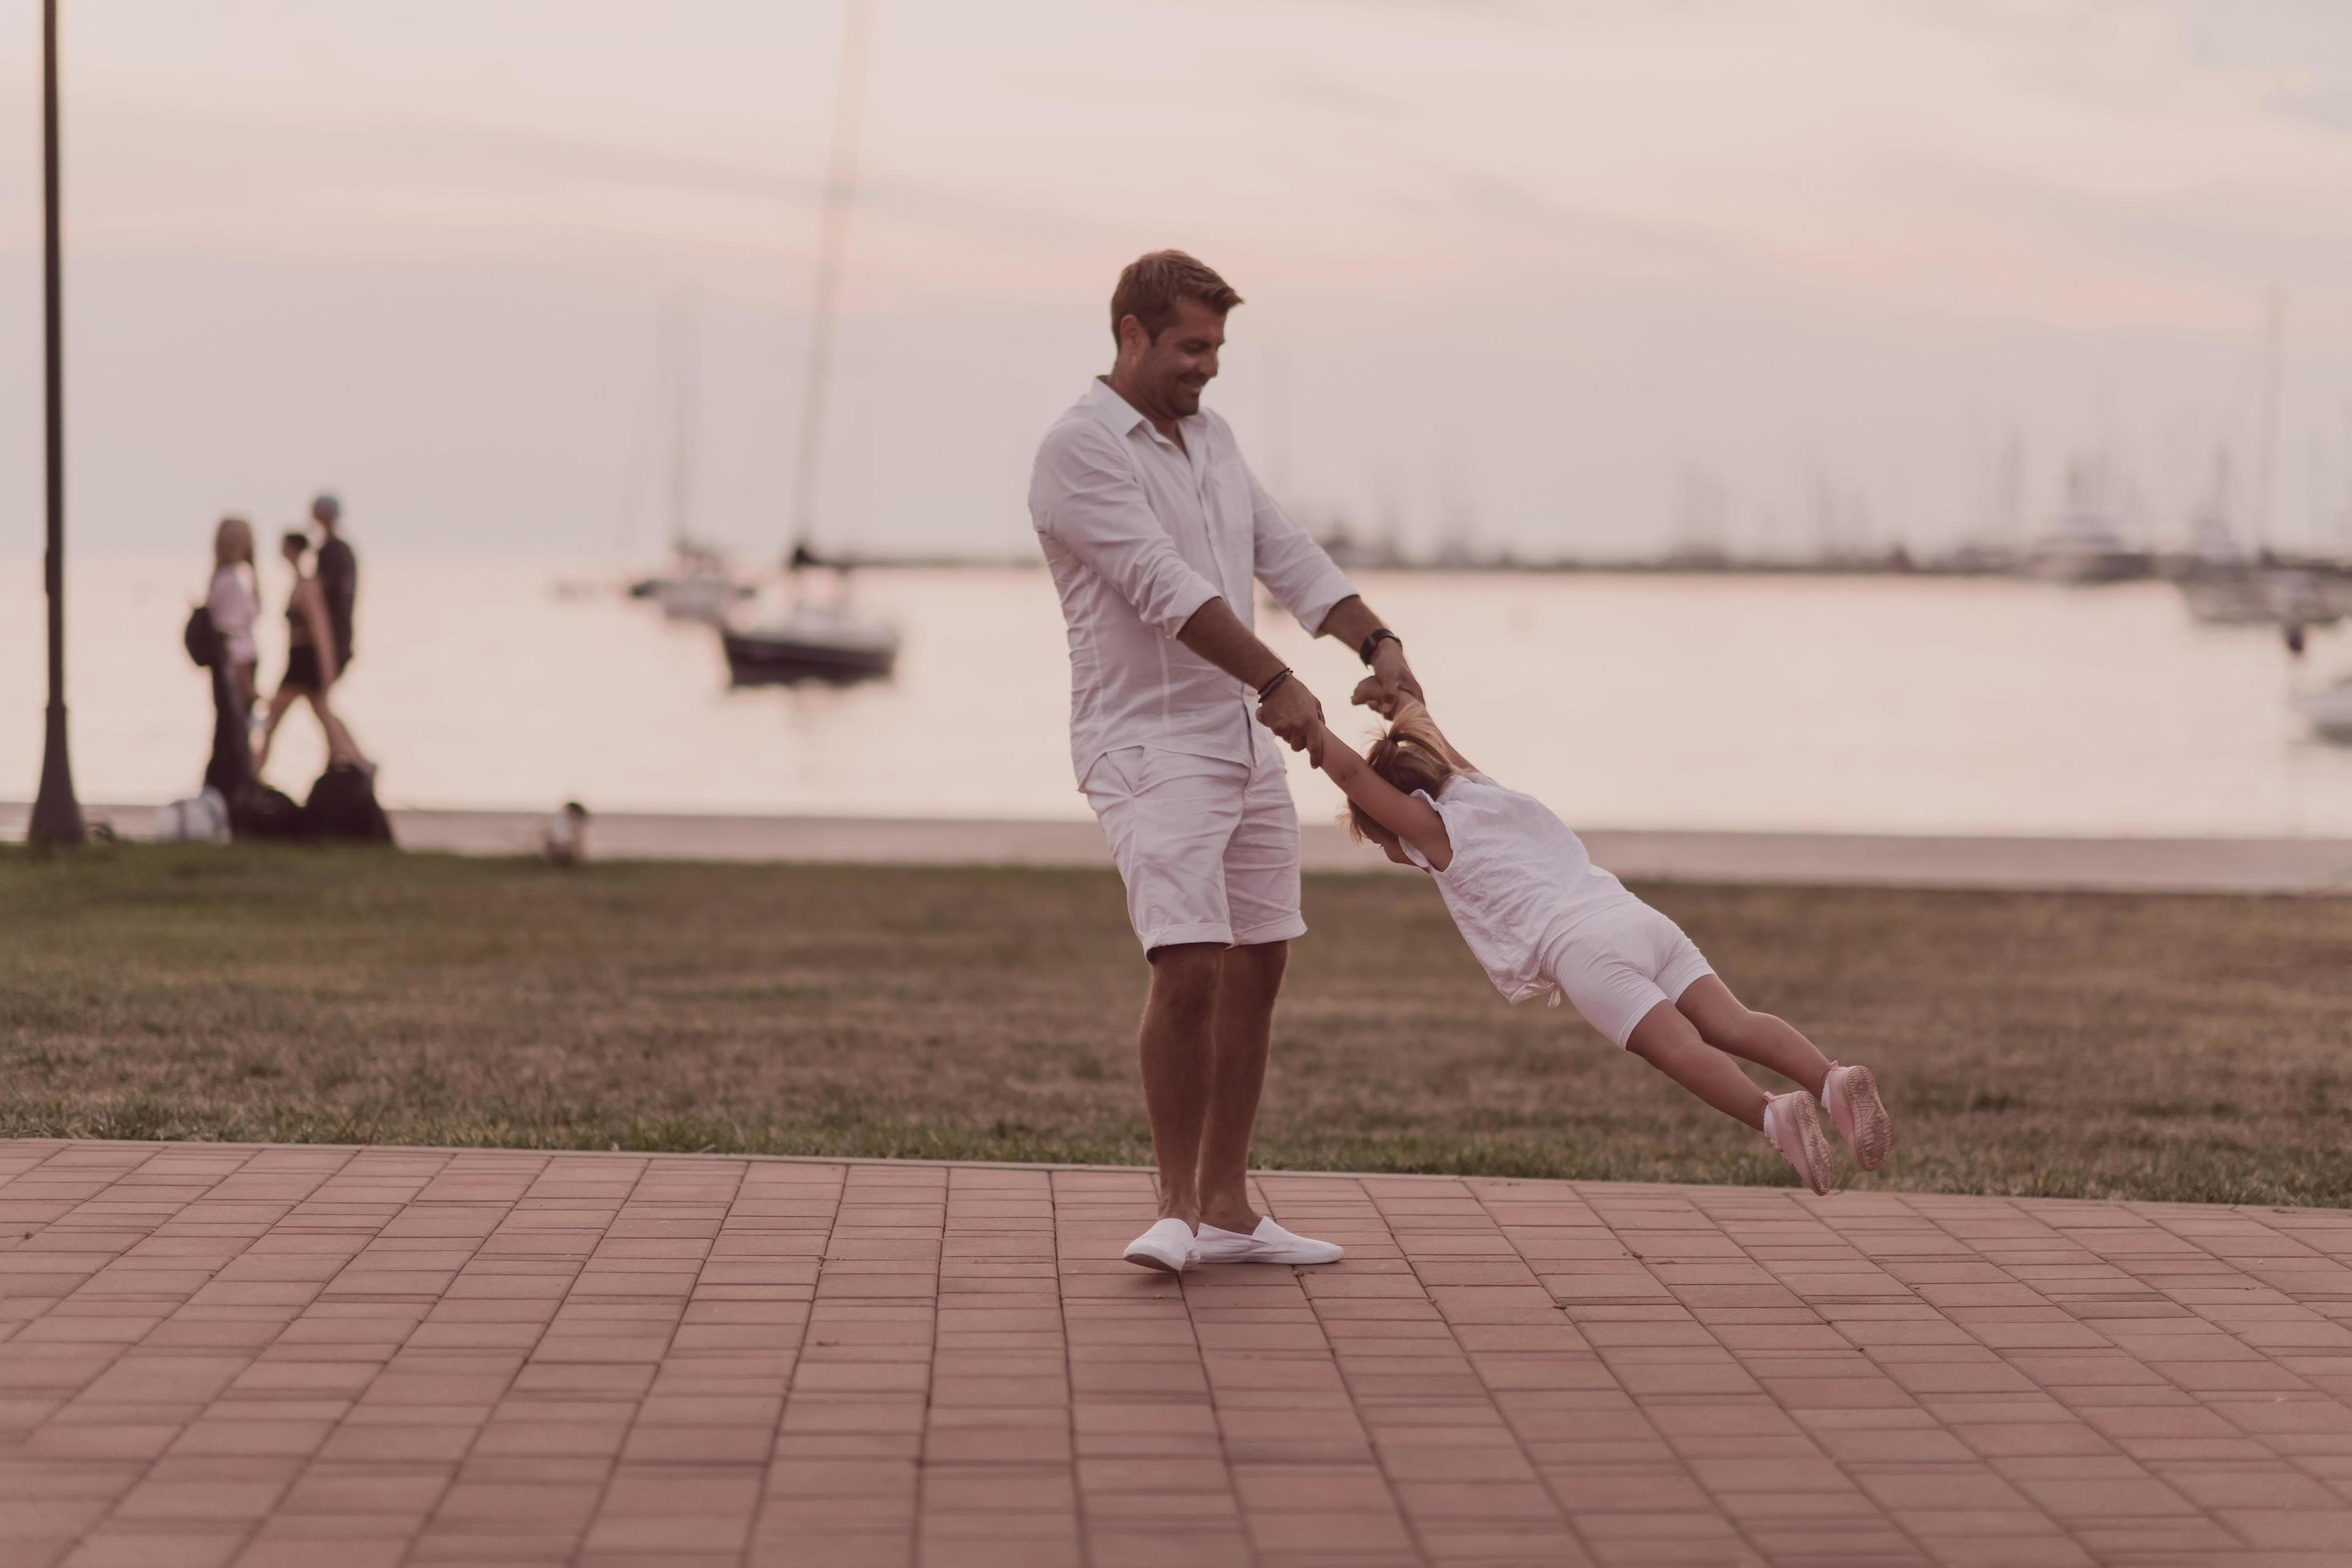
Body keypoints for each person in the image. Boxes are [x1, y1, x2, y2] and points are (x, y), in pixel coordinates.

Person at [1029, 250, 1422, 1273]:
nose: (1207, 367)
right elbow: (1161, 585)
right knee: (1189, 958)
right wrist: (1277, 681)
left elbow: (1286, 554)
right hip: (1146, 741)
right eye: (1191, 347)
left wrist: (1378, 645)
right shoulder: (1078, 451)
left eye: (1217, 348)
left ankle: (1230, 1209)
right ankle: (1171, 1210)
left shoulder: (1212, 440)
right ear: (1132, 335)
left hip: (1241, 743)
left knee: (1261, 958)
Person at [1308, 687, 1896, 1195]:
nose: (1390, 850)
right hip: (1632, 914)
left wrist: (1308, 728)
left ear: (1399, 812)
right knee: (1732, 1022)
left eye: (1380, 836)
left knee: (1677, 1048)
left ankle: (1774, 1117)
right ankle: (1829, 1080)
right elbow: (1435, 743)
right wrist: (1404, 698)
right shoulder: (1481, 790)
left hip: (1583, 947)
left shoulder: (1433, 829)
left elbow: (1357, 777)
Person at [255, 529, 366, 776]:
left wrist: (328, 672)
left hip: (307, 662)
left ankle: (254, 771)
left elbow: (322, 631)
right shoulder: (298, 583)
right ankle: (357, 763)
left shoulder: (308, 585)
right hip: (297, 659)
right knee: (322, 716)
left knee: (281, 717)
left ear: (293, 549)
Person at [206, 516, 260, 717]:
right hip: (238, 667)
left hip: (238, 665)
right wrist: (247, 684)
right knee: (236, 729)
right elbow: (231, 638)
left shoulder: (227, 578)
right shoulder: (231, 582)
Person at [312, 493, 358, 682]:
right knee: (319, 702)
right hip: (335, 635)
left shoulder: (334, 550)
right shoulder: (336, 549)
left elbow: (329, 595)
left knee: (319, 700)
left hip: (332, 636)